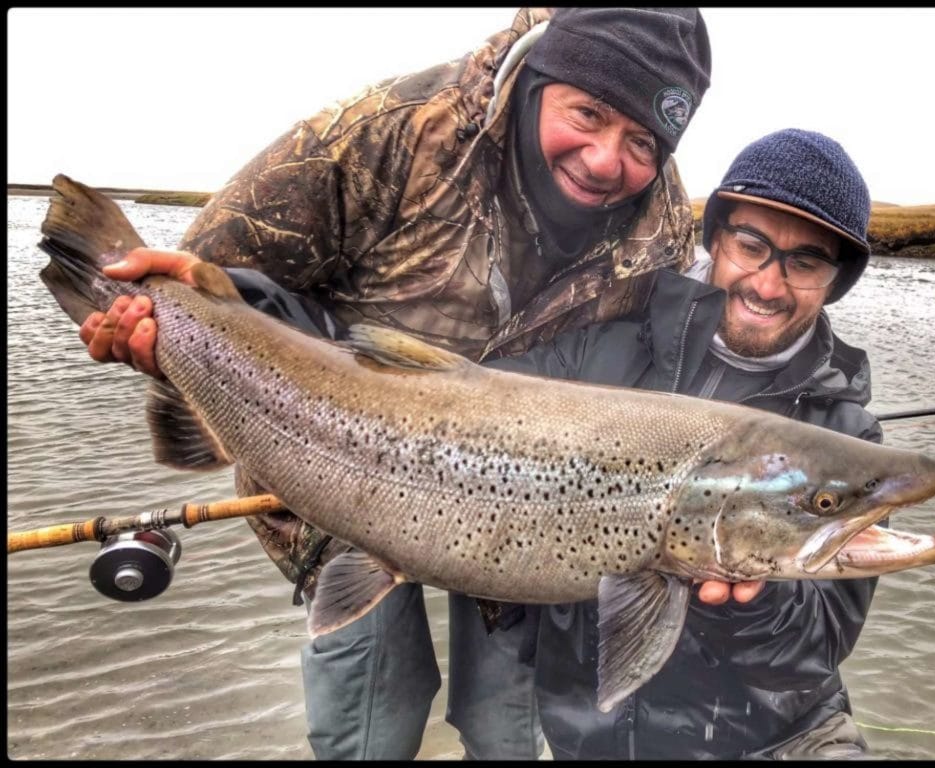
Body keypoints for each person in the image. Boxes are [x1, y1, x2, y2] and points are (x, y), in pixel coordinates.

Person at [74, 7, 713, 760]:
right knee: (373, 720)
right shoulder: (390, 131)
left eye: (643, 142)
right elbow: (197, 286)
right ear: (540, 78)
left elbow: (663, 387)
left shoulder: (664, 228)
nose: (608, 160)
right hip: (334, 458)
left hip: (545, 506)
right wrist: (148, 326)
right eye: (588, 113)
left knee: (507, 729)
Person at [485, 127, 882, 759]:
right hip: (593, 739)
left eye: (805, 262)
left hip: (778, 741)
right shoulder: (595, 350)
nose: (769, 285)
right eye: (751, 245)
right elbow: (470, 420)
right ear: (715, 238)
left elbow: (815, 653)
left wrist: (746, 604)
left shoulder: (846, 437)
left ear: (834, 280)